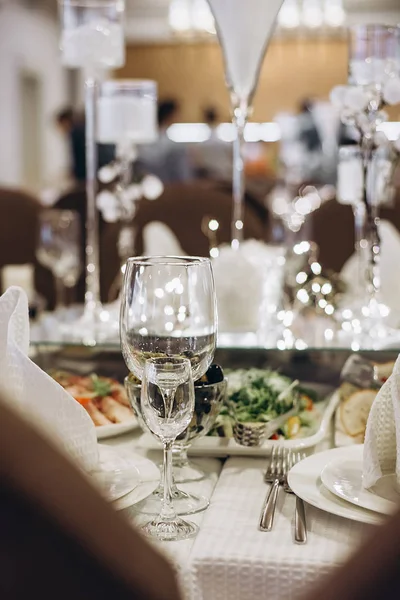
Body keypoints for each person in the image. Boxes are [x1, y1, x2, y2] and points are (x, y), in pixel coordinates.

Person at [137, 99, 193, 183]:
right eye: (177, 114)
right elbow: (149, 155)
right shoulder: (153, 133)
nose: (179, 117)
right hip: (154, 173)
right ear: (170, 115)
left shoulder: (164, 133)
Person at [55, 108, 114, 184]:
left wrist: (75, 176)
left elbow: (79, 162)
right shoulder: (84, 129)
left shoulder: (75, 133)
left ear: (65, 121)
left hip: (91, 176)